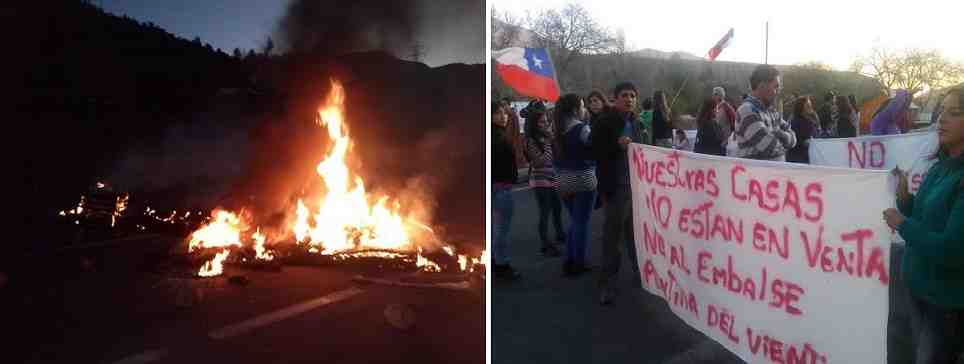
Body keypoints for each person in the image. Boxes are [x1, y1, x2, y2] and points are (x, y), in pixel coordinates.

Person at [882, 85, 964, 363]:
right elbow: (923, 216)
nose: (941, 119)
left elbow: (951, 249)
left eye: (954, 113)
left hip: (943, 303)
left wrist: (903, 224)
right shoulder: (941, 166)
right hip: (917, 289)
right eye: (942, 111)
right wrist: (905, 198)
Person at [591, 82, 644, 304]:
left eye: (633, 95)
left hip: (636, 187)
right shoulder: (604, 122)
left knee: (635, 235)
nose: (629, 99)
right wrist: (616, 145)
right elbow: (594, 151)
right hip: (615, 188)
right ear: (615, 98)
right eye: (624, 95)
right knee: (612, 238)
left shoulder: (637, 123)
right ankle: (607, 284)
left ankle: (641, 274)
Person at [553, 94, 597, 277]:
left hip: (563, 181)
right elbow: (594, 147)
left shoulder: (556, 130)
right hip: (584, 179)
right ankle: (578, 261)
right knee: (582, 223)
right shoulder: (582, 129)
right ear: (574, 110)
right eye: (582, 105)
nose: (585, 108)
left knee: (575, 221)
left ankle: (569, 258)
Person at [521, 101, 564, 257]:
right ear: (534, 123)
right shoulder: (530, 140)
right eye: (541, 122)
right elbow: (539, 161)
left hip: (552, 177)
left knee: (557, 208)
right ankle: (545, 243)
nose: (544, 124)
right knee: (544, 211)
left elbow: (556, 156)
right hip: (540, 180)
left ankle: (560, 234)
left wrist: (553, 141)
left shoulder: (548, 137)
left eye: (546, 121)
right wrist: (547, 144)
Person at [734, 64, 797, 161]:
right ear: (762, 86)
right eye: (775, 87)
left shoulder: (772, 111)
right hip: (755, 175)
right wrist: (785, 140)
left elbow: (794, 140)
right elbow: (769, 147)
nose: (777, 91)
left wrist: (781, 134)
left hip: (772, 174)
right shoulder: (747, 110)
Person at [492, 101, 521, 280]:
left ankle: (496, 261)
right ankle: (502, 266)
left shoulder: (496, 135)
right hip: (502, 188)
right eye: (498, 113)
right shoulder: (499, 137)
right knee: (501, 229)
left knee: (496, 228)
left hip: (497, 187)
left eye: (505, 113)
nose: (503, 116)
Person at [786, 96, 821, 163]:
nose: (810, 107)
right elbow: (795, 140)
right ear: (801, 107)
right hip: (798, 158)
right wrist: (805, 142)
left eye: (810, 105)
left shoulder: (811, 119)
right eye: (808, 105)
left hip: (808, 156)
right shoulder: (796, 122)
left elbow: (816, 134)